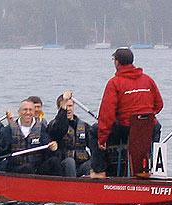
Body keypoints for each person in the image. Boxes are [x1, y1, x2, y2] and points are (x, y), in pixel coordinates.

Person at [91, 48, 163, 179]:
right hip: (147, 129)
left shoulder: (114, 83)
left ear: (117, 62)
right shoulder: (148, 80)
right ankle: (149, 166)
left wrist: (102, 138)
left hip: (126, 129)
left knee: (94, 129)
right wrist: (146, 116)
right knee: (156, 126)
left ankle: (99, 171)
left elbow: (107, 114)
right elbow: (159, 105)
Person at [0, 99, 61, 176]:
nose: (28, 113)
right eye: (25, 110)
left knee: (54, 161)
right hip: (16, 168)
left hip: (37, 167)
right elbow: (0, 147)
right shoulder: (9, 129)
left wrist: (52, 148)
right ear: (19, 112)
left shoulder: (42, 128)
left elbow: (47, 148)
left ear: (34, 112)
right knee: (26, 168)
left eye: (30, 110)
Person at [48, 91, 95, 177]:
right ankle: (71, 186)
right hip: (64, 164)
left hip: (81, 164)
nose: (68, 109)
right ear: (60, 108)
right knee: (70, 162)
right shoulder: (54, 125)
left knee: (93, 162)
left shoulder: (84, 126)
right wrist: (63, 110)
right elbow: (60, 129)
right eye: (66, 106)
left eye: (70, 106)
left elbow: (93, 145)